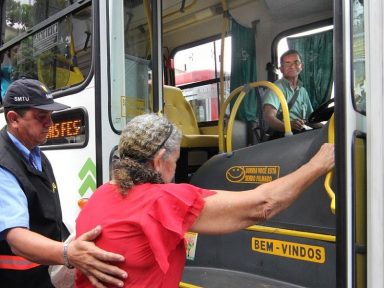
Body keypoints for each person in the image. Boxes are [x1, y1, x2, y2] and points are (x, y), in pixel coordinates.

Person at [75, 113, 334, 288]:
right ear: (159, 159)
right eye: (175, 162)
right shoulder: (162, 200)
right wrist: (317, 164)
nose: (174, 172)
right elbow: (262, 205)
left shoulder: (100, 194)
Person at [0, 78, 128, 288]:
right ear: (14, 119)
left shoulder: (36, 154)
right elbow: (16, 237)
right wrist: (68, 253)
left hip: (39, 274)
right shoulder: (3, 164)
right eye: (41, 116)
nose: (50, 123)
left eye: (50, 116)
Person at [263, 49, 322, 138]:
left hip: (300, 133)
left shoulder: (302, 91)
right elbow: (269, 117)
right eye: (287, 63)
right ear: (281, 69)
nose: (292, 66)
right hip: (282, 136)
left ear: (301, 66)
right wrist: (287, 127)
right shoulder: (276, 88)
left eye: (296, 62)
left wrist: (328, 127)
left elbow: (311, 119)